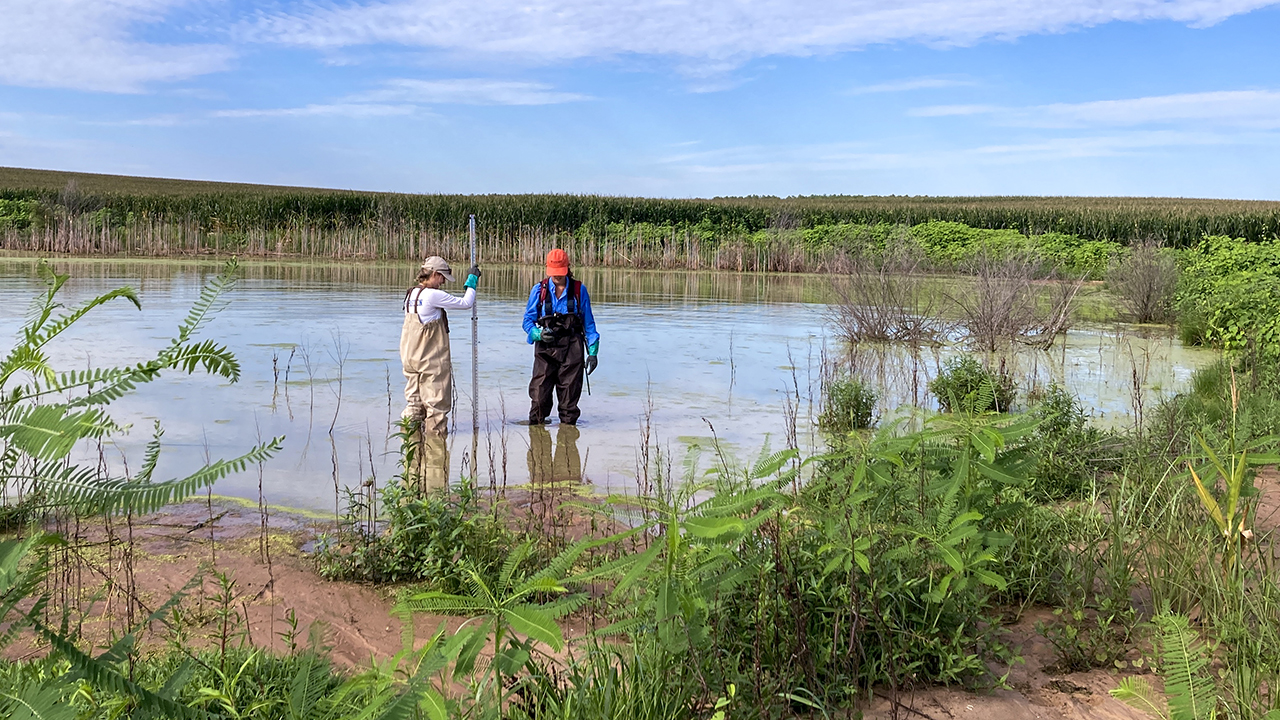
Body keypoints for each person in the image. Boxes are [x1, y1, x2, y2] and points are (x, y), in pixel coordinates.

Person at [400, 255, 480, 436]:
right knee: (436, 407)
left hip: (410, 359)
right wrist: (472, 282)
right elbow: (466, 303)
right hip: (430, 360)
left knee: (414, 404)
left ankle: (409, 446)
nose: (443, 282)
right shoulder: (432, 295)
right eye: (442, 277)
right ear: (434, 274)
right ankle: (436, 451)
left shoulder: (411, 294)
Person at [522, 249, 599, 425]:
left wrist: (593, 353)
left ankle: (567, 440)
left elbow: (589, 325)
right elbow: (527, 321)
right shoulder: (538, 290)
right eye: (553, 273)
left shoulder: (579, 290)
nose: (557, 276)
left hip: (573, 349)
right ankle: (538, 442)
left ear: (567, 268)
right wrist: (538, 334)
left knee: (569, 403)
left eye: (560, 272)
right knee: (539, 399)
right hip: (545, 349)